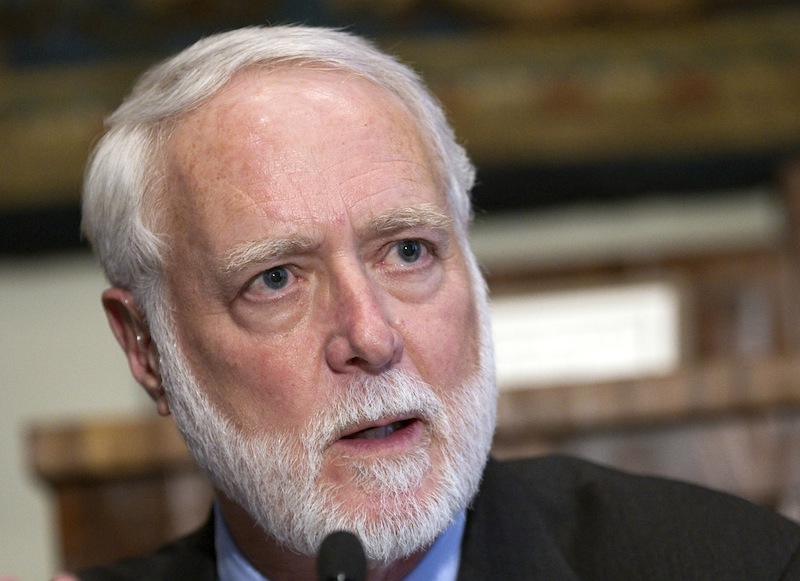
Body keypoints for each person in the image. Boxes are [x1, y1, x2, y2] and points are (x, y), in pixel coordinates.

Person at [62, 25, 799, 581]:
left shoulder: (739, 565)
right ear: (146, 347)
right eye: (277, 278)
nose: (371, 334)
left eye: (409, 251)